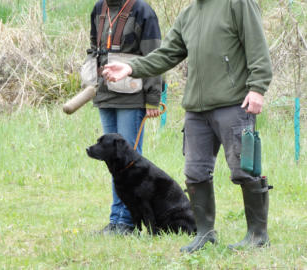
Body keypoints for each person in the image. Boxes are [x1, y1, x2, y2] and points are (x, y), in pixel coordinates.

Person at [102, 0, 273, 251]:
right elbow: (166, 54)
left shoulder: (237, 3)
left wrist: (257, 88)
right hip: (196, 109)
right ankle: (205, 234)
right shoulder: (188, 14)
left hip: (234, 103)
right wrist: (131, 67)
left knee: (244, 170)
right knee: (195, 173)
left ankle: (258, 236)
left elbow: (257, 46)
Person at [88, 0, 163, 235]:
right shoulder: (99, 8)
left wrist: (152, 97)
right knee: (113, 162)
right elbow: (94, 47)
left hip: (132, 97)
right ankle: (116, 219)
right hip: (105, 95)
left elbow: (155, 55)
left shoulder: (143, 10)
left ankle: (126, 222)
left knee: (129, 162)